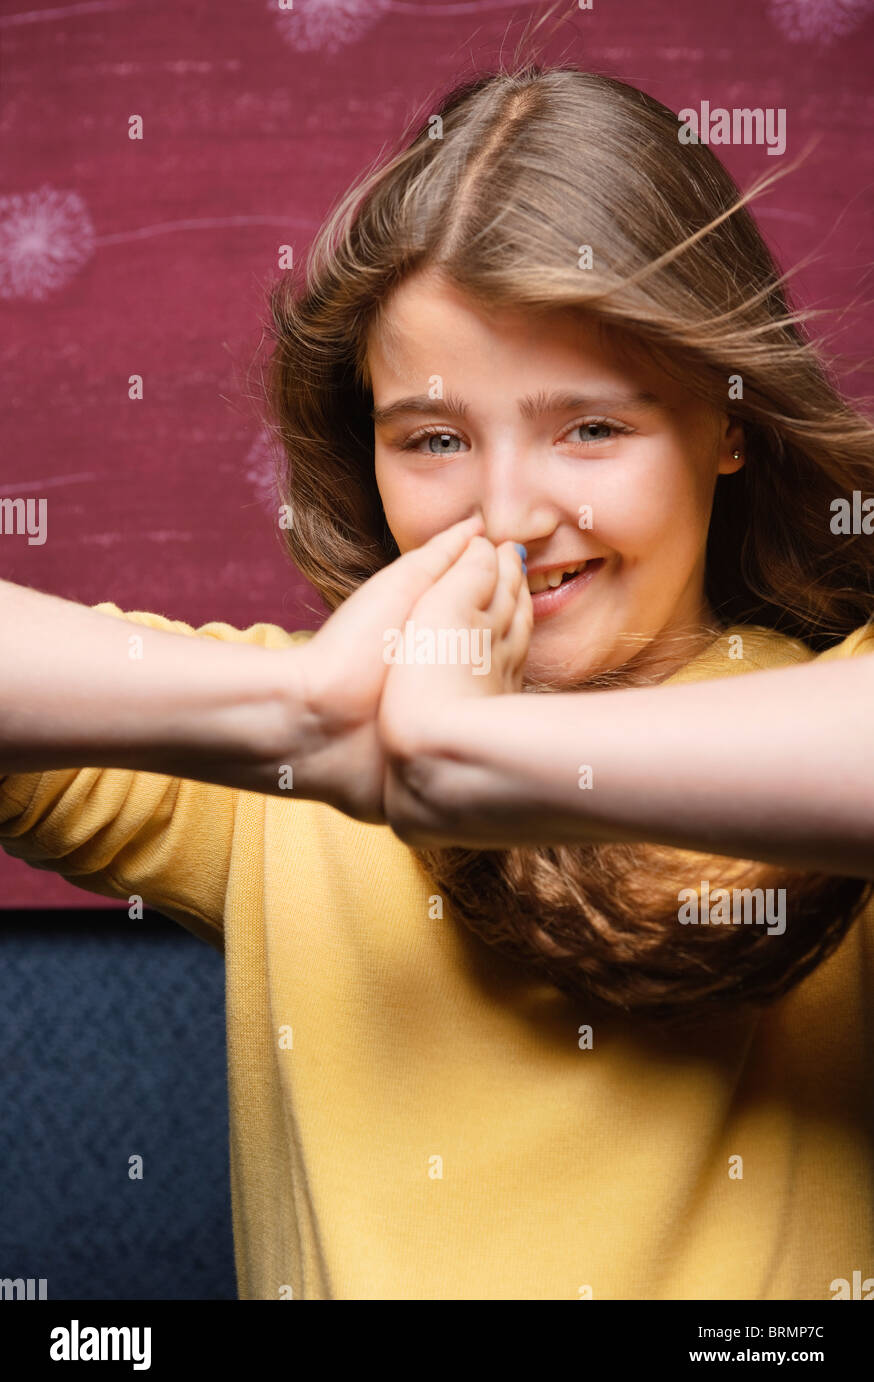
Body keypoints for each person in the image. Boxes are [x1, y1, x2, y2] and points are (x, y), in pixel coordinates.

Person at [2, 66, 872, 1301]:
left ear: (728, 423)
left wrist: (466, 761)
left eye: (591, 427)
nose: (510, 515)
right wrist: (305, 719)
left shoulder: (835, 699)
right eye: (435, 438)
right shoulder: (300, 750)